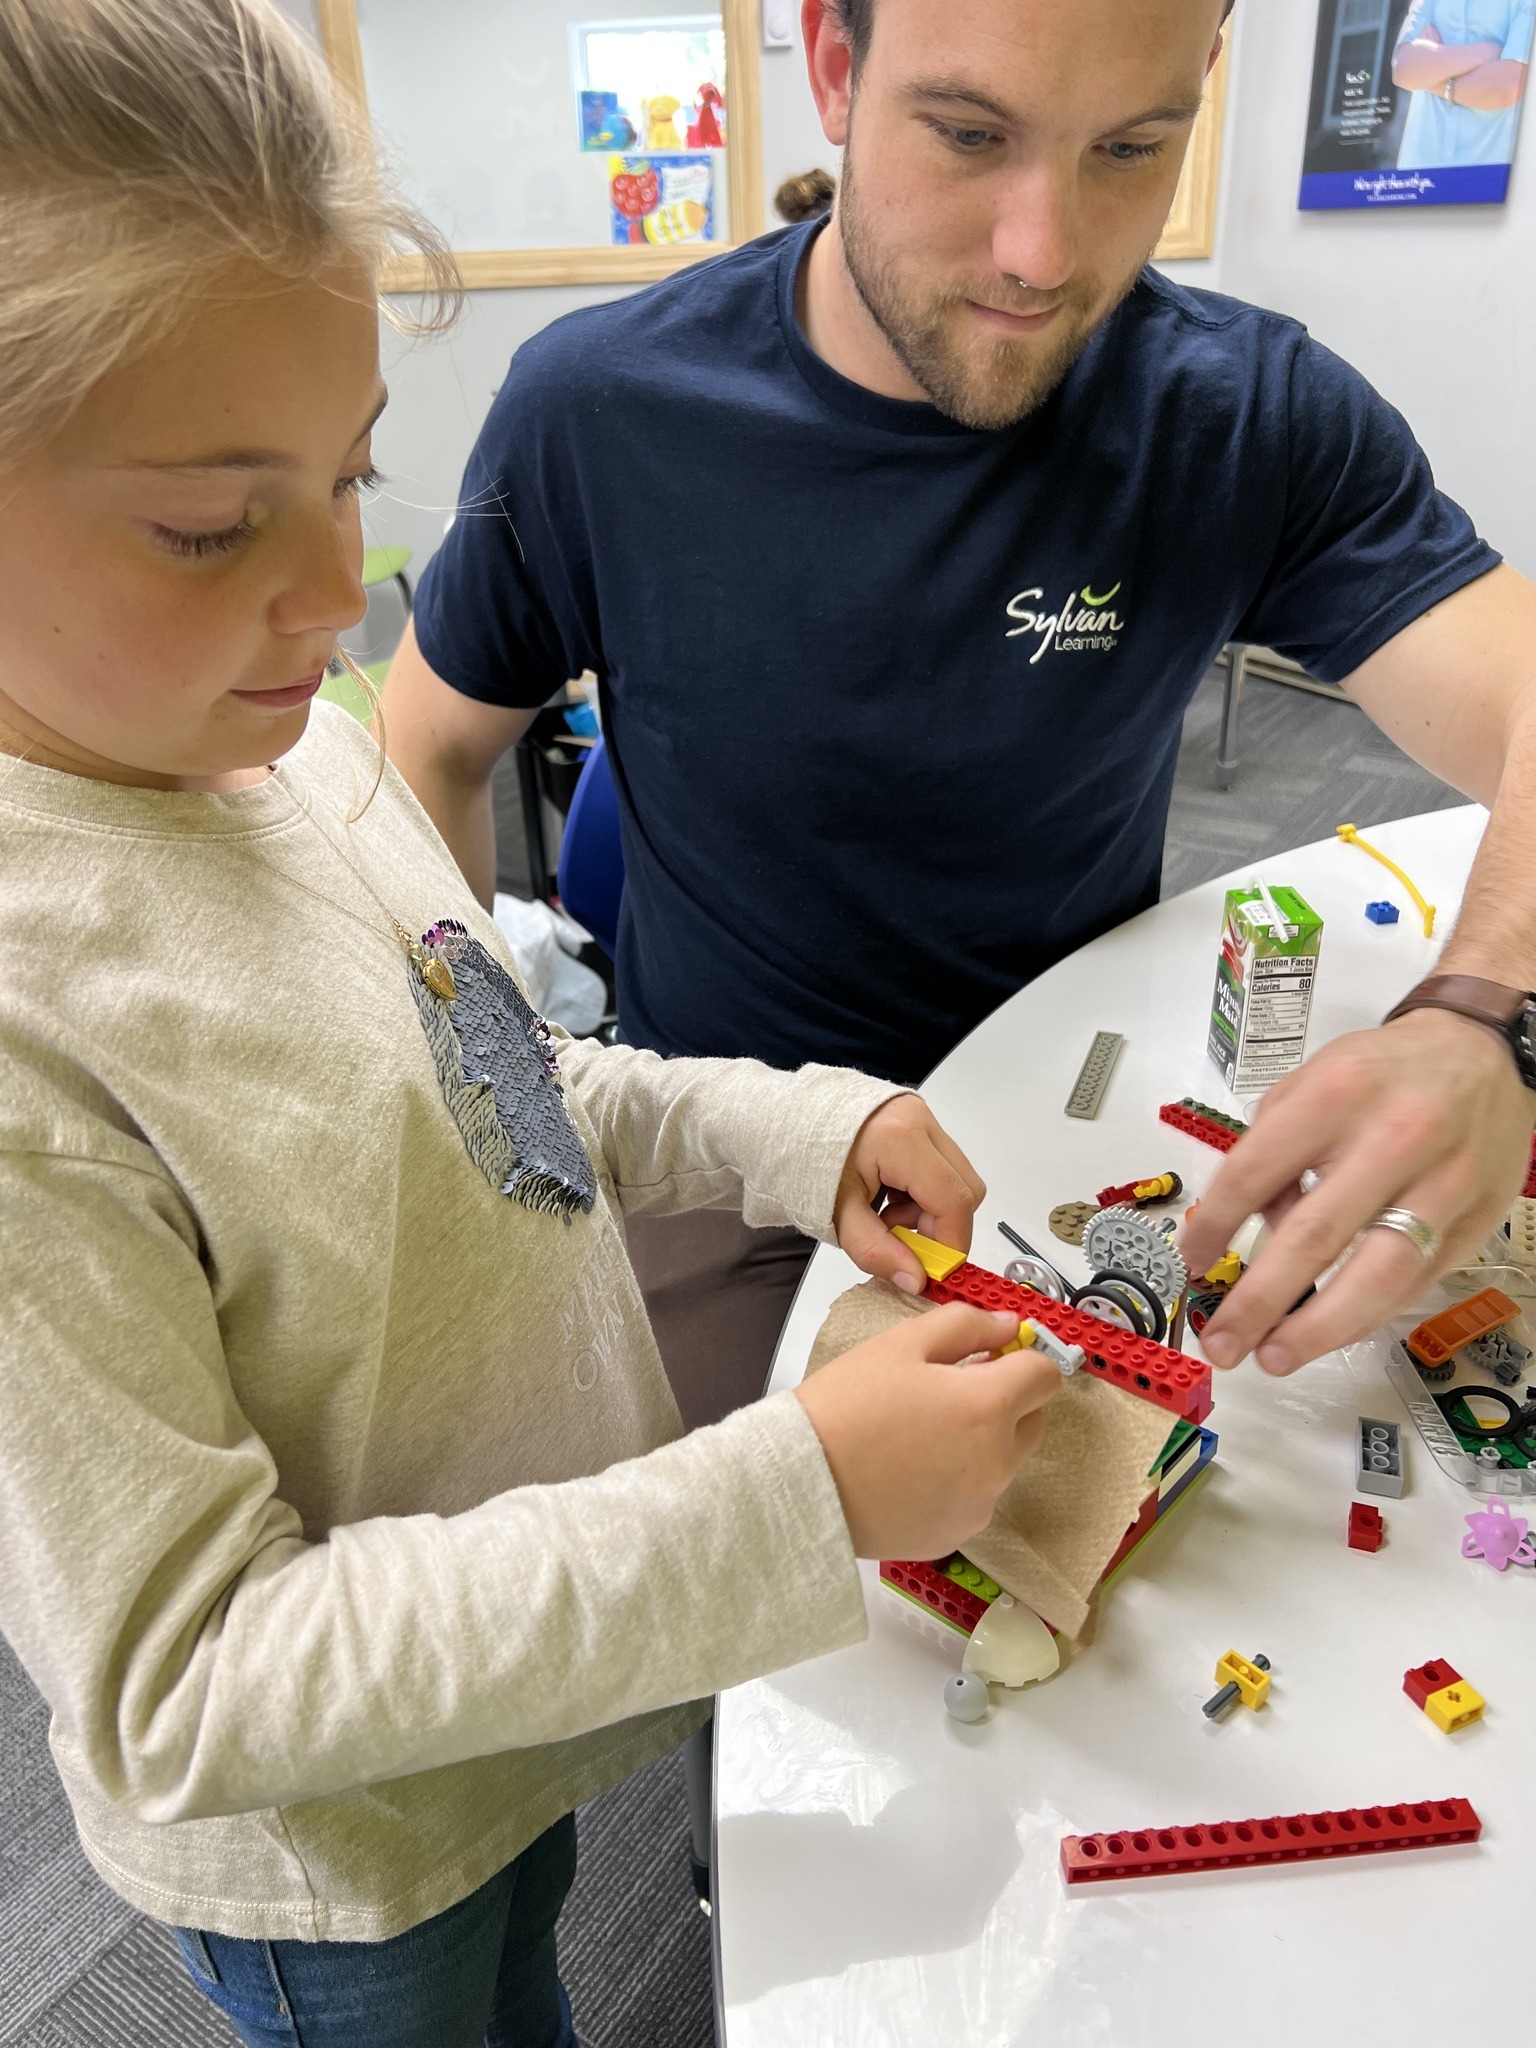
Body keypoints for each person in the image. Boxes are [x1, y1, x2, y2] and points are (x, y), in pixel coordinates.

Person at [0, 5, 1066, 2044]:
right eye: (213, 522)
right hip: (349, 1851)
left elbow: (481, 1070)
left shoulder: (284, 744)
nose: (343, 587)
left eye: (351, 471)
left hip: (510, 1711)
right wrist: (802, 1495)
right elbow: (189, 1682)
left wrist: (788, 1132)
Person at [387, 0, 1536, 1424]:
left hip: (1074, 1111)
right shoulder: (598, 410)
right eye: (969, 135)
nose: (1041, 255)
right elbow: (426, 748)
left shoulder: (1245, 416)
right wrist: (510, 1125)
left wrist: (1486, 1011)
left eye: (1130, 148)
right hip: (731, 1158)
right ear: (834, 65)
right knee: (728, 1540)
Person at [1393, 1, 1532, 169]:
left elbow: (1508, 86)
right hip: (1420, 171)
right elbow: (1402, 69)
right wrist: (1484, 53)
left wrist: (1432, 77)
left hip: (1492, 170)